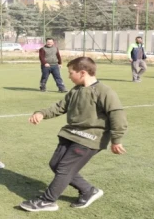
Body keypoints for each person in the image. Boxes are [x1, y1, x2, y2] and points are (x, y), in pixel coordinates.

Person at [19, 57, 128, 212]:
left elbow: (117, 115)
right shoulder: (76, 90)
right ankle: (89, 190)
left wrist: (116, 140)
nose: (68, 76)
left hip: (90, 138)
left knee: (64, 168)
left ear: (82, 73)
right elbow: (59, 107)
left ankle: (47, 201)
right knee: (55, 164)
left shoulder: (104, 91)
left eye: (71, 73)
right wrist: (41, 113)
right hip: (70, 134)